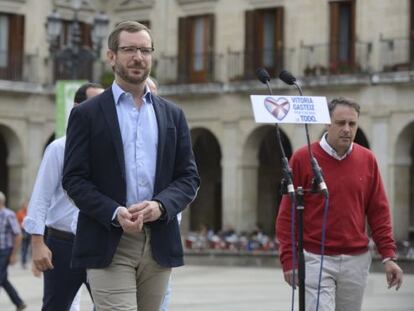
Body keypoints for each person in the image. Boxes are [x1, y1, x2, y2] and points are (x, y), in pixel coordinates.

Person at [62, 21, 200, 311]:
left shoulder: (173, 115)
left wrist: (160, 206)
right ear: (111, 56)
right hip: (108, 239)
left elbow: (188, 178)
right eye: (129, 49)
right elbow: (74, 179)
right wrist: (114, 212)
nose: (138, 57)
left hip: (158, 241)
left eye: (145, 50)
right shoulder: (86, 115)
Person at [276, 97, 404, 311]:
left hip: (357, 260)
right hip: (316, 258)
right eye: (340, 123)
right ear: (327, 123)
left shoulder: (368, 159)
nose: (347, 129)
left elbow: (378, 211)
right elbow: (287, 215)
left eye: (352, 124)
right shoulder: (302, 158)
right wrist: (289, 259)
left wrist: (388, 256)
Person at [23, 82, 104, 311]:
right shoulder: (60, 149)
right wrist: (37, 243)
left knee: (112, 306)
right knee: (55, 307)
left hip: (102, 243)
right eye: (95, 104)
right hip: (63, 244)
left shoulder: (112, 150)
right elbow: (41, 197)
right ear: (77, 108)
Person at [0, 191, 26, 310]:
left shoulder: (9, 214)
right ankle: (19, 303)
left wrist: (14, 255)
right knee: (3, 279)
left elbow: (18, 234)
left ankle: (19, 303)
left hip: (5, 251)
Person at [16, 201, 30, 269]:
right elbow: (17, 222)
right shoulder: (20, 212)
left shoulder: (29, 212)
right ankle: (23, 262)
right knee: (24, 248)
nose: (26, 206)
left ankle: (30, 261)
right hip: (23, 231)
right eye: (25, 205)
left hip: (29, 231)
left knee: (30, 248)